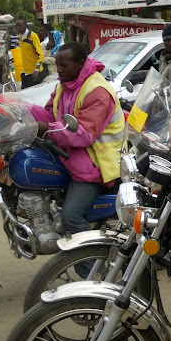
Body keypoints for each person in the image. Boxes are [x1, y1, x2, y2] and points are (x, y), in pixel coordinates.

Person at [31, 42, 124, 240]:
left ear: (81, 63)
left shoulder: (97, 90)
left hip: (96, 164)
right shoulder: (64, 85)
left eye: (64, 65)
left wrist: (46, 128)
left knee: (71, 217)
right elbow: (50, 114)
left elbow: (83, 133)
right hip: (70, 156)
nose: (59, 70)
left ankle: (95, 269)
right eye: (57, 65)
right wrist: (21, 112)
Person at [13, 18, 43, 89]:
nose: (18, 28)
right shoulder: (20, 36)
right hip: (25, 71)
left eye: (20, 26)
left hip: (33, 73)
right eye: (16, 26)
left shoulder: (33, 36)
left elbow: (40, 54)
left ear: (25, 25)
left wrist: (36, 70)